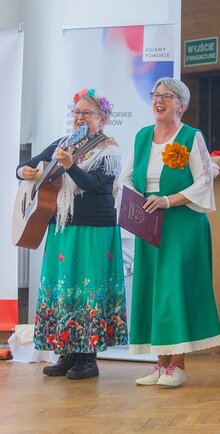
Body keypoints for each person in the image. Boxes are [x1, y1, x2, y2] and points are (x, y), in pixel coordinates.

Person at [118, 77, 220, 388]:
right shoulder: (142, 136)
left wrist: (167, 200)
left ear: (182, 105)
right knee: (153, 290)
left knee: (174, 289)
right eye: (156, 95)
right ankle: (160, 364)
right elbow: (125, 177)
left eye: (167, 96)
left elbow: (204, 180)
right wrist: (136, 200)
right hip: (148, 221)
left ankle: (178, 364)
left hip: (182, 224)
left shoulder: (191, 136)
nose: (158, 100)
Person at [18, 88, 127, 380]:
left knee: (87, 288)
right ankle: (67, 353)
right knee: (64, 288)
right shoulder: (62, 143)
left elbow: (93, 184)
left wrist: (70, 165)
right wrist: (23, 172)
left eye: (87, 113)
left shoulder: (109, 149)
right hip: (62, 225)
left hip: (94, 228)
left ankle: (88, 359)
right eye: (77, 112)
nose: (80, 117)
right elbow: (27, 164)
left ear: (102, 119)